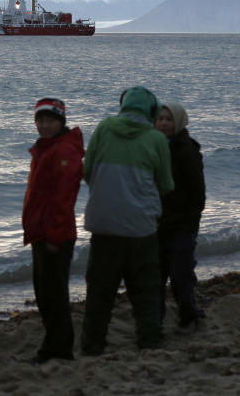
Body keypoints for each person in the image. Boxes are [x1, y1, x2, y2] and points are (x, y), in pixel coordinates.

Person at [80, 86, 174, 356]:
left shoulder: (104, 128)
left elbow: (87, 171)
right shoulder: (156, 139)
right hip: (141, 227)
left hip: (103, 223)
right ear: (150, 111)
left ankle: (93, 345)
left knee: (100, 290)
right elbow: (166, 184)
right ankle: (150, 341)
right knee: (145, 290)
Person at [21, 97, 84, 364]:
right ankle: (54, 346)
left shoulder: (63, 151)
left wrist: (55, 237)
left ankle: (58, 350)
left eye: (50, 121)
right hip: (41, 231)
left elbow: (63, 198)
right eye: (40, 121)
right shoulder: (46, 148)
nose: (44, 126)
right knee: (45, 294)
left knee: (53, 296)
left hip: (54, 234)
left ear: (60, 122)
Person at [155, 102, 207, 328]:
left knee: (181, 275)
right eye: (160, 119)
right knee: (154, 278)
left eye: (169, 119)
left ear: (179, 122)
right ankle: (155, 321)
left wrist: (190, 225)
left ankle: (189, 315)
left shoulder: (187, 150)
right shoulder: (152, 147)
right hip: (156, 223)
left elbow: (197, 193)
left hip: (181, 225)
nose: (164, 123)